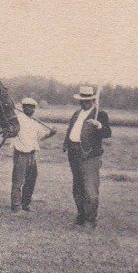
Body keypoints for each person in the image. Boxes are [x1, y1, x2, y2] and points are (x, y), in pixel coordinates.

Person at [63, 85, 112, 227]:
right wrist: (66, 144)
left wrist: (99, 126)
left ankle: (90, 220)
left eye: (86, 101)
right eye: (81, 101)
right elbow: (70, 129)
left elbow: (108, 133)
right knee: (77, 187)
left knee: (90, 188)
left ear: (92, 100)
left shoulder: (100, 114)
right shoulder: (77, 113)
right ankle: (81, 216)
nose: (83, 103)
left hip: (90, 156)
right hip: (74, 153)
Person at [10, 97, 57, 212]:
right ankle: (16, 206)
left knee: (31, 180)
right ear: (23, 107)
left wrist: (51, 133)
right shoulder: (17, 120)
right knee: (18, 181)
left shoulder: (34, 121)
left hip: (32, 154)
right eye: (28, 107)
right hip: (21, 154)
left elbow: (41, 136)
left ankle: (26, 204)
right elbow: (9, 130)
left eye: (32, 107)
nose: (31, 109)